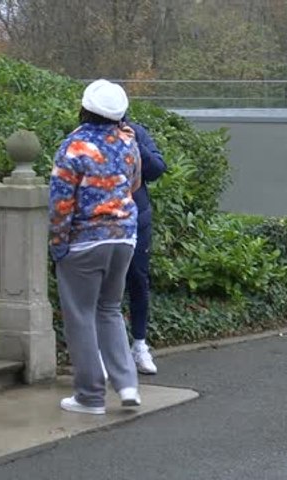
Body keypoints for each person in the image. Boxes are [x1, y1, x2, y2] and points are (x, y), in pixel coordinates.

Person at [50, 79, 142, 415]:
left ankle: (90, 397)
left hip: (85, 241)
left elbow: (61, 203)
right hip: (124, 237)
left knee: (81, 316)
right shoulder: (128, 142)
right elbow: (135, 184)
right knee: (110, 310)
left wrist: (58, 245)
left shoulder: (73, 147)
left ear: (85, 108)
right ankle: (128, 384)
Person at [123, 118, 166, 374]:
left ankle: (139, 344)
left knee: (138, 280)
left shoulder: (137, 132)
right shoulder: (89, 135)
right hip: (103, 222)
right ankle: (104, 351)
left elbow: (157, 168)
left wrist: (136, 144)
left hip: (138, 219)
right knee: (105, 289)